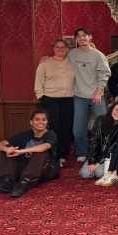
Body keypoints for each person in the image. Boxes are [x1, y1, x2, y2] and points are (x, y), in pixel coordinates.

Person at [68, 28, 111, 162]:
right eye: (78, 36)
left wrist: (98, 93)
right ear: (76, 39)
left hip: (96, 95)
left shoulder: (98, 55)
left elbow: (104, 74)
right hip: (79, 95)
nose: (81, 38)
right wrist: (46, 58)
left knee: (103, 124)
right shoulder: (72, 54)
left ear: (90, 37)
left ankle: (103, 150)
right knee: (78, 127)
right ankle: (82, 152)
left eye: (84, 35)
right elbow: (59, 59)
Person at [0, 109, 60, 197]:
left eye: (44, 119)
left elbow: (46, 146)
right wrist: (8, 150)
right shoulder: (25, 134)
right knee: (8, 148)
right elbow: (1, 144)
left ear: (47, 122)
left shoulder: (51, 134)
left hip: (46, 169)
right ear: (31, 122)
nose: (41, 122)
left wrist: (20, 151)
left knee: (41, 152)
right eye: (37, 119)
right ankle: (6, 180)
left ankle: (25, 182)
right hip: (27, 166)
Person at [35, 38, 75, 166]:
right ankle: (53, 154)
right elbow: (38, 82)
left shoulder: (72, 62)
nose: (60, 49)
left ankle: (62, 154)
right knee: (54, 127)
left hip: (68, 99)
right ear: (53, 49)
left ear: (66, 49)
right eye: (57, 47)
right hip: (50, 99)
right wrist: (41, 97)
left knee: (66, 127)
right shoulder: (45, 63)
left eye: (63, 47)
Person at [80, 102, 118, 180]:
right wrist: (92, 161)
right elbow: (93, 141)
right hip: (97, 153)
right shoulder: (101, 119)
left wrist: (99, 162)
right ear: (111, 110)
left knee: (100, 173)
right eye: (116, 110)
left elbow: (112, 147)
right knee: (85, 174)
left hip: (110, 156)